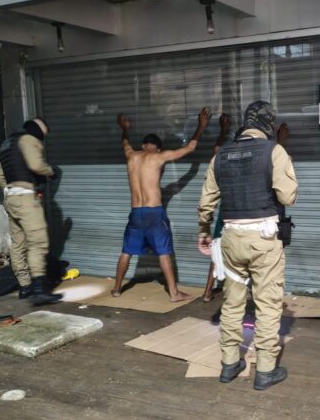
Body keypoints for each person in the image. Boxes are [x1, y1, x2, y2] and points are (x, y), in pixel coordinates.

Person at [198, 100, 297, 390]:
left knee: (232, 302)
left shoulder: (221, 155)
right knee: (266, 305)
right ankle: (265, 370)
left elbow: (206, 204)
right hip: (264, 239)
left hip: (230, 237)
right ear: (268, 124)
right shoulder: (274, 151)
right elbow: (288, 196)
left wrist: (204, 231)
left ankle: (230, 364)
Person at [113, 107, 211, 301]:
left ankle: (116, 289)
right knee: (164, 252)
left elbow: (124, 141)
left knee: (126, 251)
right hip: (154, 213)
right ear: (157, 147)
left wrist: (124, 128)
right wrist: (200, 127)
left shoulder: (131, 156)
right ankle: (174, 293)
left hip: (135, 212)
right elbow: (190, 148)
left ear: (143, 145)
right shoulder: (159, 156)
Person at [0, 117, 62, 306]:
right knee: (38, 242)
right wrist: (51, 171)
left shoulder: (5, 145)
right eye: (44, 134)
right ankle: (40, 291)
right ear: (38, 130)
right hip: (25, 199)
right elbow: (36, 165)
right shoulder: (29, 140)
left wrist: (12, 191)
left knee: (18, 243)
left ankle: (25, 286)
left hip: (10, 199)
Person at [202, 113, 232, 302]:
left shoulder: (222, 163)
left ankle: (207, 292)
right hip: (243, 214)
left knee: (217, 251)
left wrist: (223, 130)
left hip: (225, 211)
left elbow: (216, 149)